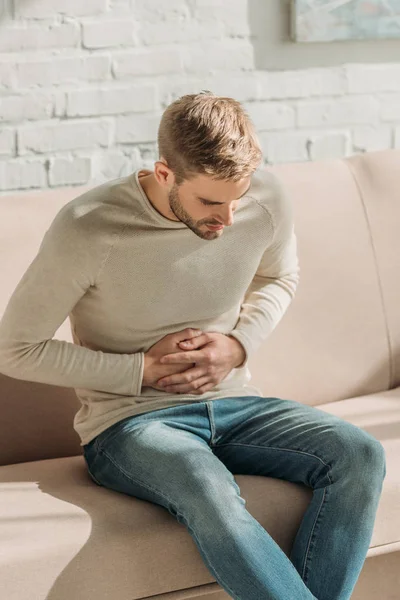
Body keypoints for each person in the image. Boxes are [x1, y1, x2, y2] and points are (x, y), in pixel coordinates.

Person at [0, 91, 386, 600]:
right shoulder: (89, 226)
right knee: (209, 489)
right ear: (165, 174)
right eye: (209, 201)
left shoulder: (266, 198)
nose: (227, 218)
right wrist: (140, 371)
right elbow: (15, 347)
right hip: (129, 424)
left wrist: (238, 345)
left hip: (236, 402)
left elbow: (279, 276)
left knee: (359, 453)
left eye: (237, 198)